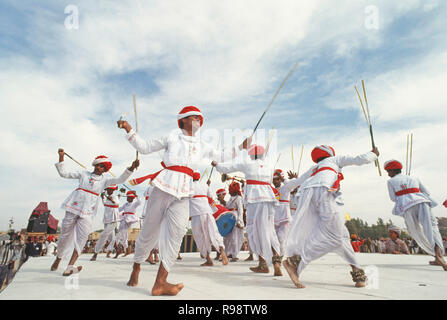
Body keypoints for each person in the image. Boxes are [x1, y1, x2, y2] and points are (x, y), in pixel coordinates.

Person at [119, 105, 251, 296]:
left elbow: (221, 155)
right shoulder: (172, 136)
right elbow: (145, 147)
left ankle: (160, 282)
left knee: (177, 233)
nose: (198, 120)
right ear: (183, 120)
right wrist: (128, 128)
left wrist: (241, 146)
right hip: (164, 184)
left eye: (200, 118)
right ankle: (136, 267)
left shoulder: (203, 144)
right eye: (194, 117)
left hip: (184, 190)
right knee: (149, 232)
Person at [283, 145, 379, 288]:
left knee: (342, 236)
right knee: (335, 237)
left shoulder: (313, 168)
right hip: (324, 191)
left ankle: (358, 272)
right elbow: (359, 159)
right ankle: (295, 261)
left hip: (306, 195)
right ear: (330, 153)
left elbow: (295, 183)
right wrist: (374, 154)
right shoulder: (335, 160)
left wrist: (278, 187)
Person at [50, 149, 139, 276]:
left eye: (102, 166)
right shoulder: (83, 174)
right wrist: (61, 157)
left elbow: (120, 180)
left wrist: (131, 168)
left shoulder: (105, 181)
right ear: (94, 165)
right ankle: (58, 258)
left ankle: (70, 266)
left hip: (88, 212)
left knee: (82, 237)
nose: (99, 167)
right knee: (65, 236)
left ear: (105, 169)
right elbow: (63, 173)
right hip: (73, 207)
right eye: (98, 165)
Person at [213, 144, 283, 276]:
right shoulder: (269, 167)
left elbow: (227, 167)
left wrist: (217, 165)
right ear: (263, 155)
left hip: (254, 200)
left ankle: (262, 264)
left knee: (255, 231)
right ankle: (276, 263)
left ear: (250, 155)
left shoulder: (247, 164)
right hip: (268, 199)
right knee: (269, 231)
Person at [384, 160, 447, 270]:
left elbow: (393, 198)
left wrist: (405, 194)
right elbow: (426, 192)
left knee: (415, 231)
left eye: (388, 171)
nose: (388, 174)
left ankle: (436, 255)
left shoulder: (390, 181)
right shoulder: (414, 178)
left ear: (393, 171)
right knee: (432, 228)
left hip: (407, 207)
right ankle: (439, 255)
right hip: (422, 202)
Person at [189, 172, 228, 266]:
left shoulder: (189, 186)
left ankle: (208, 258)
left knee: (200, 236)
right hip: (208, 212)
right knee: (214, 232)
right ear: (199, 178)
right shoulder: (204, 186)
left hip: (197, 214)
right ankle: (221, 249)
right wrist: (214, 210)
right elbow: (210, 199)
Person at [272, 169, 301, 258]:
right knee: (275, 238)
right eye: (274, 179)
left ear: (280, 179)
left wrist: (291, 179)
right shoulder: (271, 189)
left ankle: (280, 256)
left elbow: (292, 185)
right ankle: (278, 256)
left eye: (277, 179)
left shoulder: (286, 187)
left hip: (285, 216)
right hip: (274, 217)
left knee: (281, 238)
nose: (275, 181)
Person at [91, 184, 121, 261]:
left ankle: (95, 253)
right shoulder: (107, 197)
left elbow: (117, 203)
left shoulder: (114, 196)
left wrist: (110, 199)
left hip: (113, 219)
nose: (108, 191)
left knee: (103, 235)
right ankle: (118, 250)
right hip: (106, 218)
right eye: (108, 189)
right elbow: (105, 204)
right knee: (111, 237)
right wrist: (103, 198)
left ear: (113, 190)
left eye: (110, 189)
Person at [114, 191, 141, 258]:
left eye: (128, 197)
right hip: (124, 218)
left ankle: (120, 250)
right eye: (127, 197)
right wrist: (115, 203)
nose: (127, 198)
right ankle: (127, 250)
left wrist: (136, 195)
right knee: (123, 235)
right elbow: (118, 209)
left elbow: (139, 202)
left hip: (129, 218)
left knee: (122, 234)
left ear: (131, 198)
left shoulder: (134, 204)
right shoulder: (125, 204)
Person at [224, 181, 245, 262]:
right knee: (227, 237)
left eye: (230, 189)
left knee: (234, 237)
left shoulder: (239, 198)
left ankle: (234, 255)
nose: (229, 191)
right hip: (228, 217)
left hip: (235, 218)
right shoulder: (230, 198)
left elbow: (240, 210)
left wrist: (239, 221)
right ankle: (228, 253)